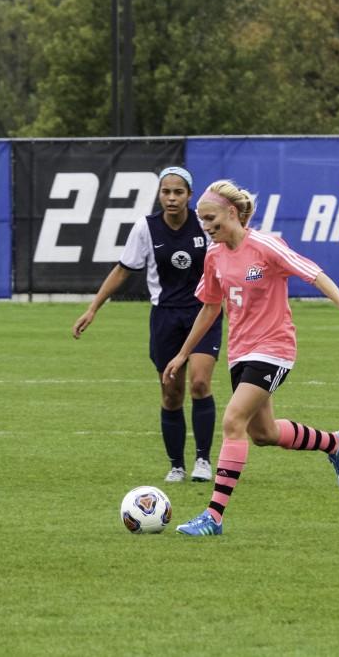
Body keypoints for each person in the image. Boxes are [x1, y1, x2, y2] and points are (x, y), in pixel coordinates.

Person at [163, 180, 339, 537]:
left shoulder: (266, 245)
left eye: (211, 218)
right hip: (240, 351)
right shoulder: (214, 256)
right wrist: (183, 354)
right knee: (263, 433)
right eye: (202, 221)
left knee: (233, 421)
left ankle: (213, 517)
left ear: (232, 213)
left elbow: (313, 272)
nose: (207, 226)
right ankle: (336, 443)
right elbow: (211, 307)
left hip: (275, 348)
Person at [74, 166, 222, 483]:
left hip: (202, 313)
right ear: (159, 194)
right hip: (165, 316)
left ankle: (203, 461)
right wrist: (93, 308)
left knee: (199, 383)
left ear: (190, 196)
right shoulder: (146, 228)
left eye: (178, 192)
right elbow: (123, 269)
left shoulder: (204, 224)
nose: (171, 198)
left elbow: (227, 260)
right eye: (166, 191)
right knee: (171, 393)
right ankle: (176, 466)